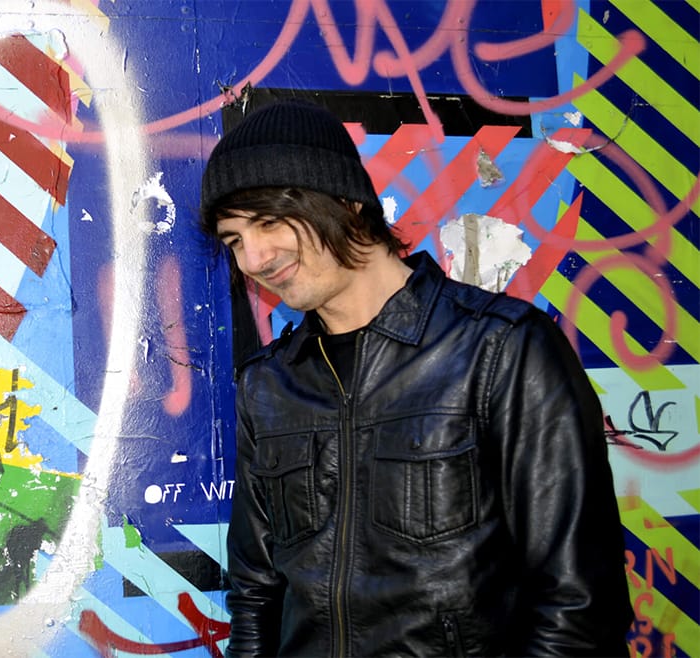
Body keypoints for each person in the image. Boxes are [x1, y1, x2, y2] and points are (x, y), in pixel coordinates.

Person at [200, 98, 634, 657]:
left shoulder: (500, 350)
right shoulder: (268, 385)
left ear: (346, 201)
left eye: (268, 221)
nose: (254, 257)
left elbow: (578, 608)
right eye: (233, 239)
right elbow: (257, 596)